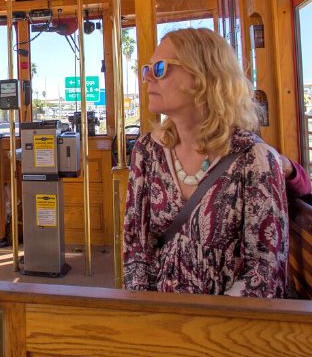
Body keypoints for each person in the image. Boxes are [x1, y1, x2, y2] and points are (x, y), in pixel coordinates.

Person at [123, 28, 288, 298]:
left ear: (203, 76)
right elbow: (136, 249)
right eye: (147, 69)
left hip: (228, 327)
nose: (148, 78)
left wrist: (206, 326)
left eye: (161, 68)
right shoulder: (147, 151)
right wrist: (146, 316)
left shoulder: (255, 159)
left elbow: (265, 273)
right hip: (160, 319)